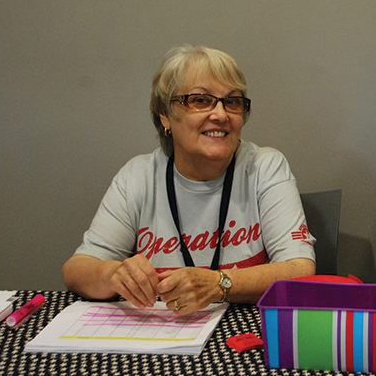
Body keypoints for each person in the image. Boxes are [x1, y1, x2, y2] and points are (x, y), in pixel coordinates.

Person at [62, 44, 316, 314]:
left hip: (239, 335)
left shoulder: (265, 167)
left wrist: (220, 284)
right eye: (200, 100)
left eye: (232, 101)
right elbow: (76, 270)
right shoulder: (138, 176)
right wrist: (111, 273)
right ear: (165, 117)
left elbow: (300, 270)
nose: (220, 115)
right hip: (160, 338)